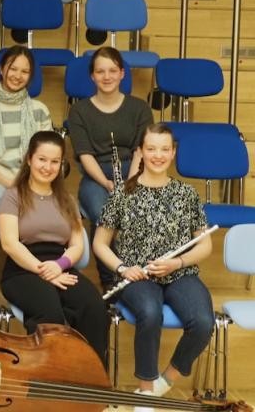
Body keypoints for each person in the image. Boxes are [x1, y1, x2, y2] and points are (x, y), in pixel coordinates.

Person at [93, 124, 214, 407]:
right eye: (151, 149)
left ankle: (163, 383)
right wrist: (123, 268)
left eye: (164, 149)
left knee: (204, 322)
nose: (157, 155)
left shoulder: (186, 194)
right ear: (140, 152)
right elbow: (100, 243)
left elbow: (205, 245)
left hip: (179, 273)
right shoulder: (122, 193)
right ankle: (145, 392)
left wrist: (178, 262)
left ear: (173, 153)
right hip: (136, 275)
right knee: (149, 312)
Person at [0, 130, 108, 365]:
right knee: (50, 312)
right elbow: (9, 243)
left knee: (95, 307)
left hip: (61, 266)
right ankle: (45, 381)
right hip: (22, 270)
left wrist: (59, 266)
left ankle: (91, 378)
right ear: (29, 159)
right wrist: (43, 271)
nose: (48, 167)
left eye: (55, 161)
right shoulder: (13, 195)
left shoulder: (67, 198)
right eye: (42, 159)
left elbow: (77, 244)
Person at [67, 45, 152, 290]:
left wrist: (131, 182)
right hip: (96, 176)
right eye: (100, 71)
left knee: (137, 209)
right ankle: (112, 279)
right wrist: (105, 183)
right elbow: (85, 154)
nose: (107, 77)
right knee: (103, 212)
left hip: (135, 171)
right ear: (92, 76)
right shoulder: (79, 111)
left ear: (122, 73)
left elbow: (141, 150)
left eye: (112, 70)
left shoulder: (139, 108)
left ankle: (138, 272)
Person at [0, 45, 52, 283]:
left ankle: (34, 273)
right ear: (1, 69)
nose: (17, 75)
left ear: (31, 76)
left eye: (24, 71)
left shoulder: (40, 111)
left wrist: (29, 181)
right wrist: (11, 183)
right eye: (13, 68)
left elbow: (47, 153)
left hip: (34, 178)